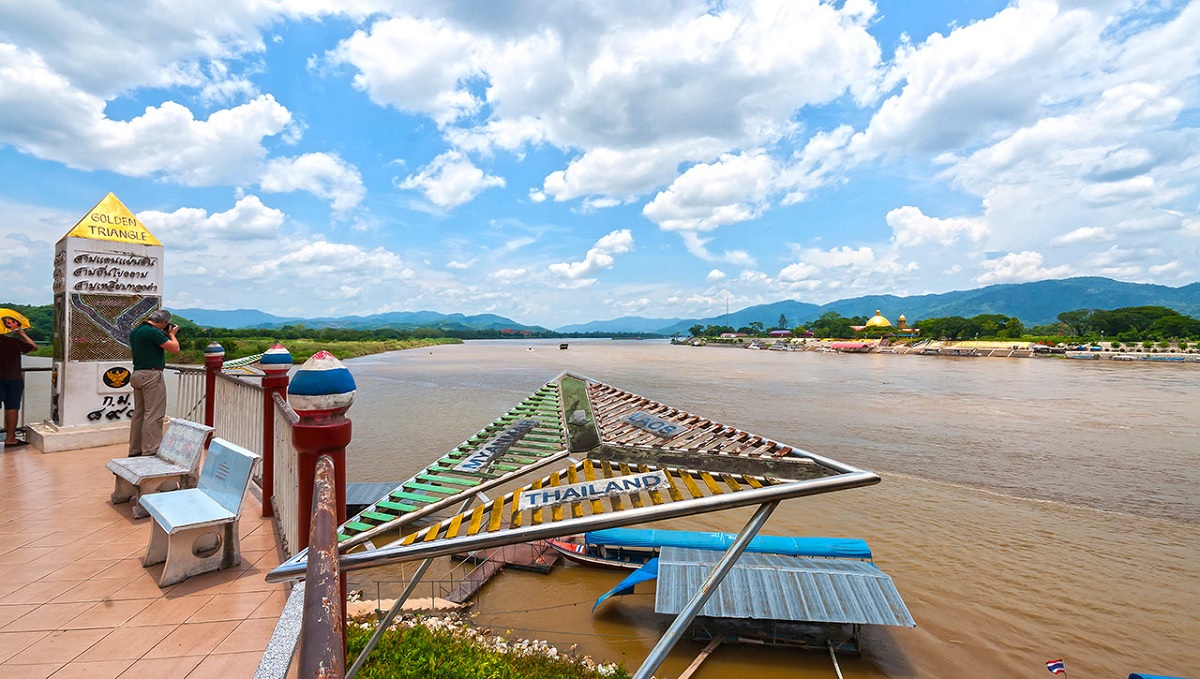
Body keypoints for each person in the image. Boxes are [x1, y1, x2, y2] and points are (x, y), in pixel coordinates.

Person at [128, 309, 179, 457]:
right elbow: (175, 348)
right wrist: (172, 334)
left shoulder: (137, 331)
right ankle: (151, 450)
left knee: (139, 414)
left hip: (137, 374)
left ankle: (135, 450)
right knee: (154, 414)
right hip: (151, 375)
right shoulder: (152, 332)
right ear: (163, 322)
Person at [1, 316, 38, 448]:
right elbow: (33, 347)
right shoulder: (11, 341)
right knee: (12, 408)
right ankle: (10, 438)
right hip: (13, 379)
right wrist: (22, 333)